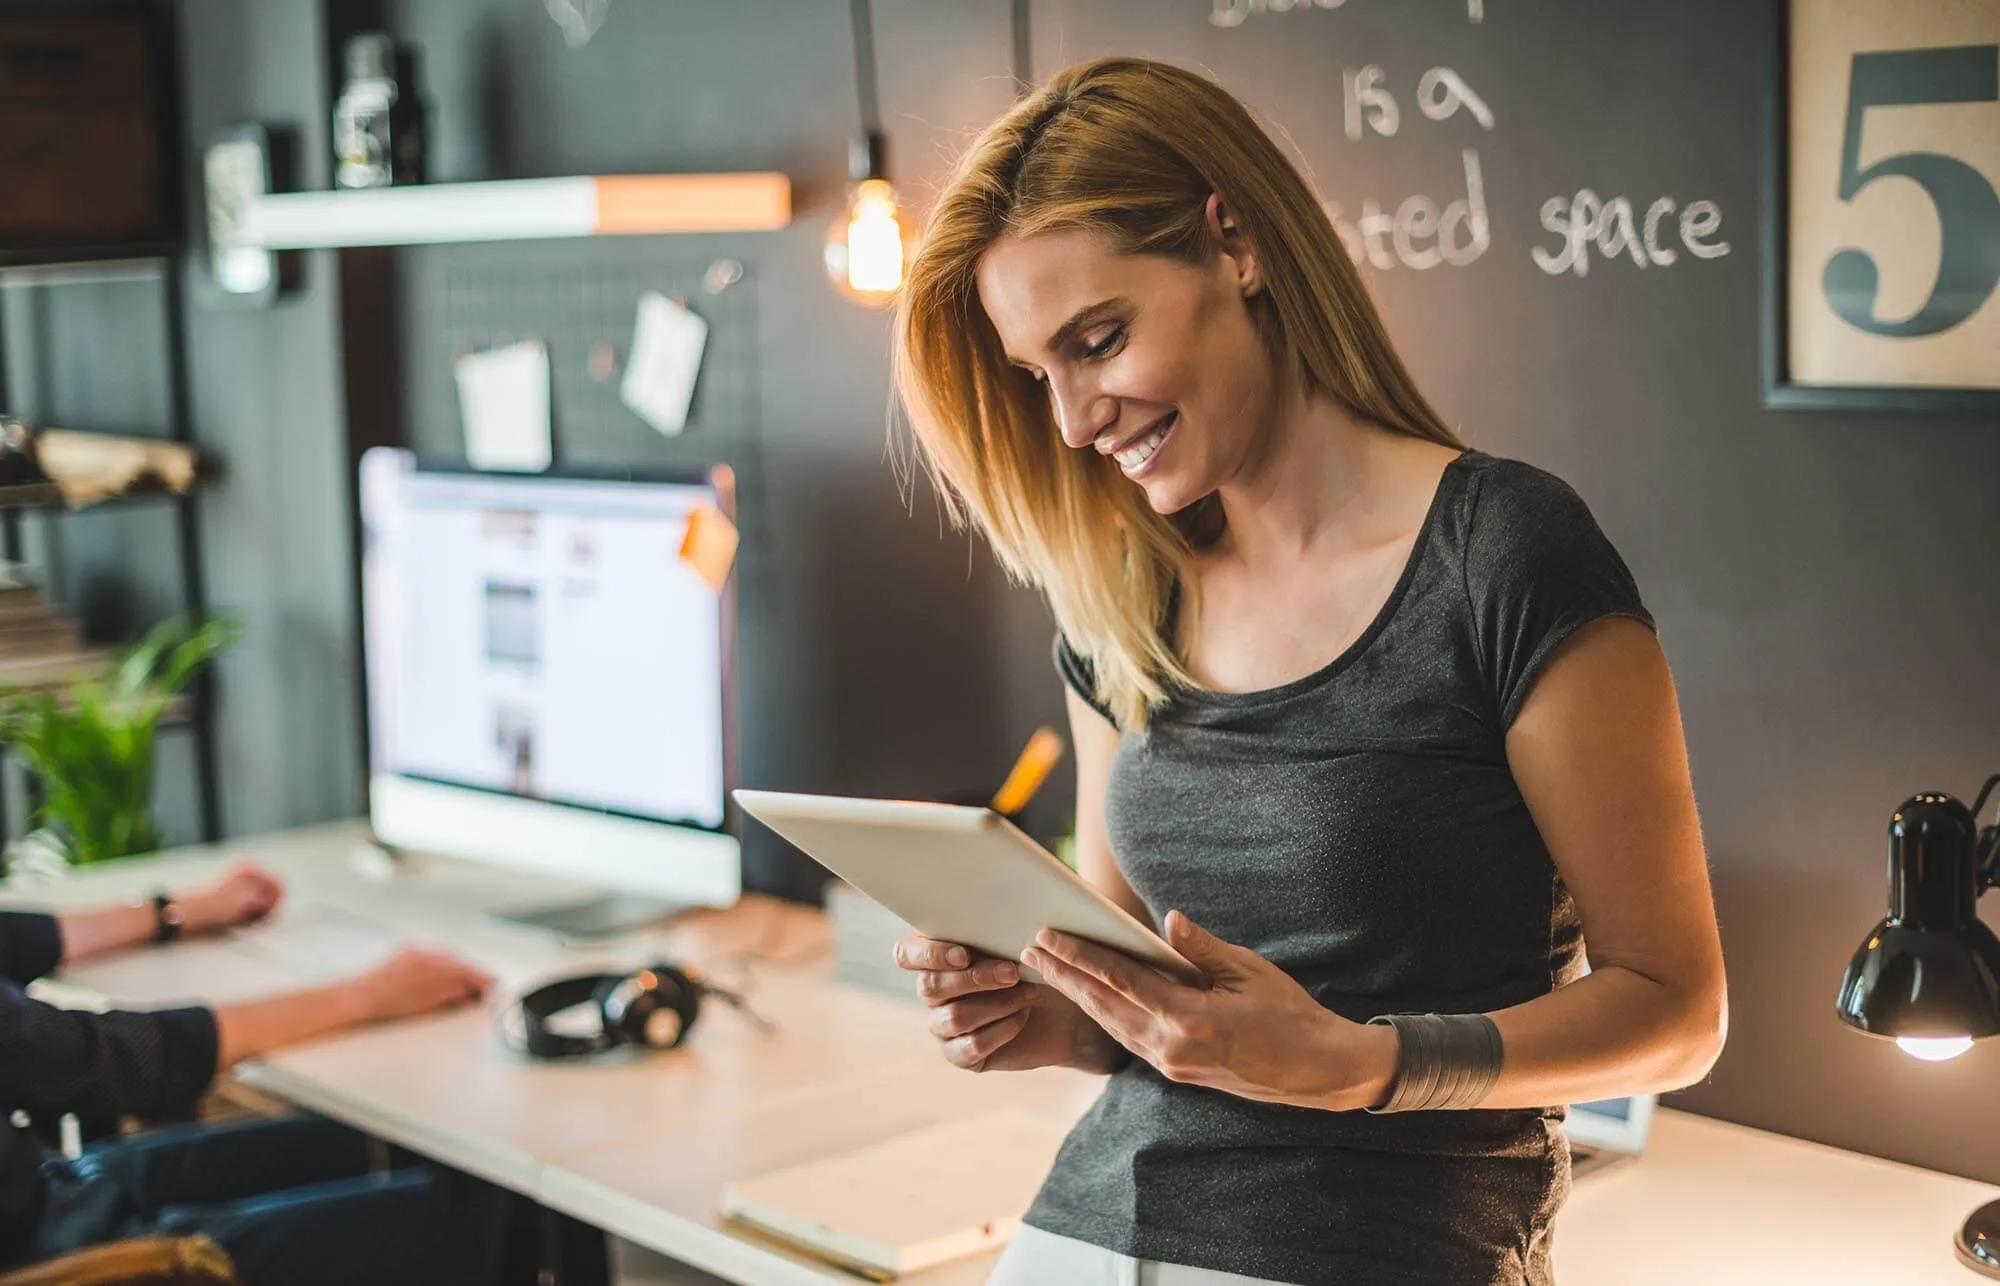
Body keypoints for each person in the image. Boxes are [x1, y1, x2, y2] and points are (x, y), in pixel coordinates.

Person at [890, 57, 1727, 1286]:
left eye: (1099, 339)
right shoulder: (1122, 595)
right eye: (1036, 375)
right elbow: (1138, 992)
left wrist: (1359, 1061)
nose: (1070, 419)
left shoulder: (1498, 555)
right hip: (1081, 1238)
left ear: (1235, 245)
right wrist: (1040, 1014)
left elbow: (1676, 1009)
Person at [0, 859, 502, 1284]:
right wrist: (367, 997)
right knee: (490, 1220)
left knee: (372, 1144)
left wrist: (175, 912)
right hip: (57, 1260)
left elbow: (13, 945)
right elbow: (118, 1059)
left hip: (45, 1195)